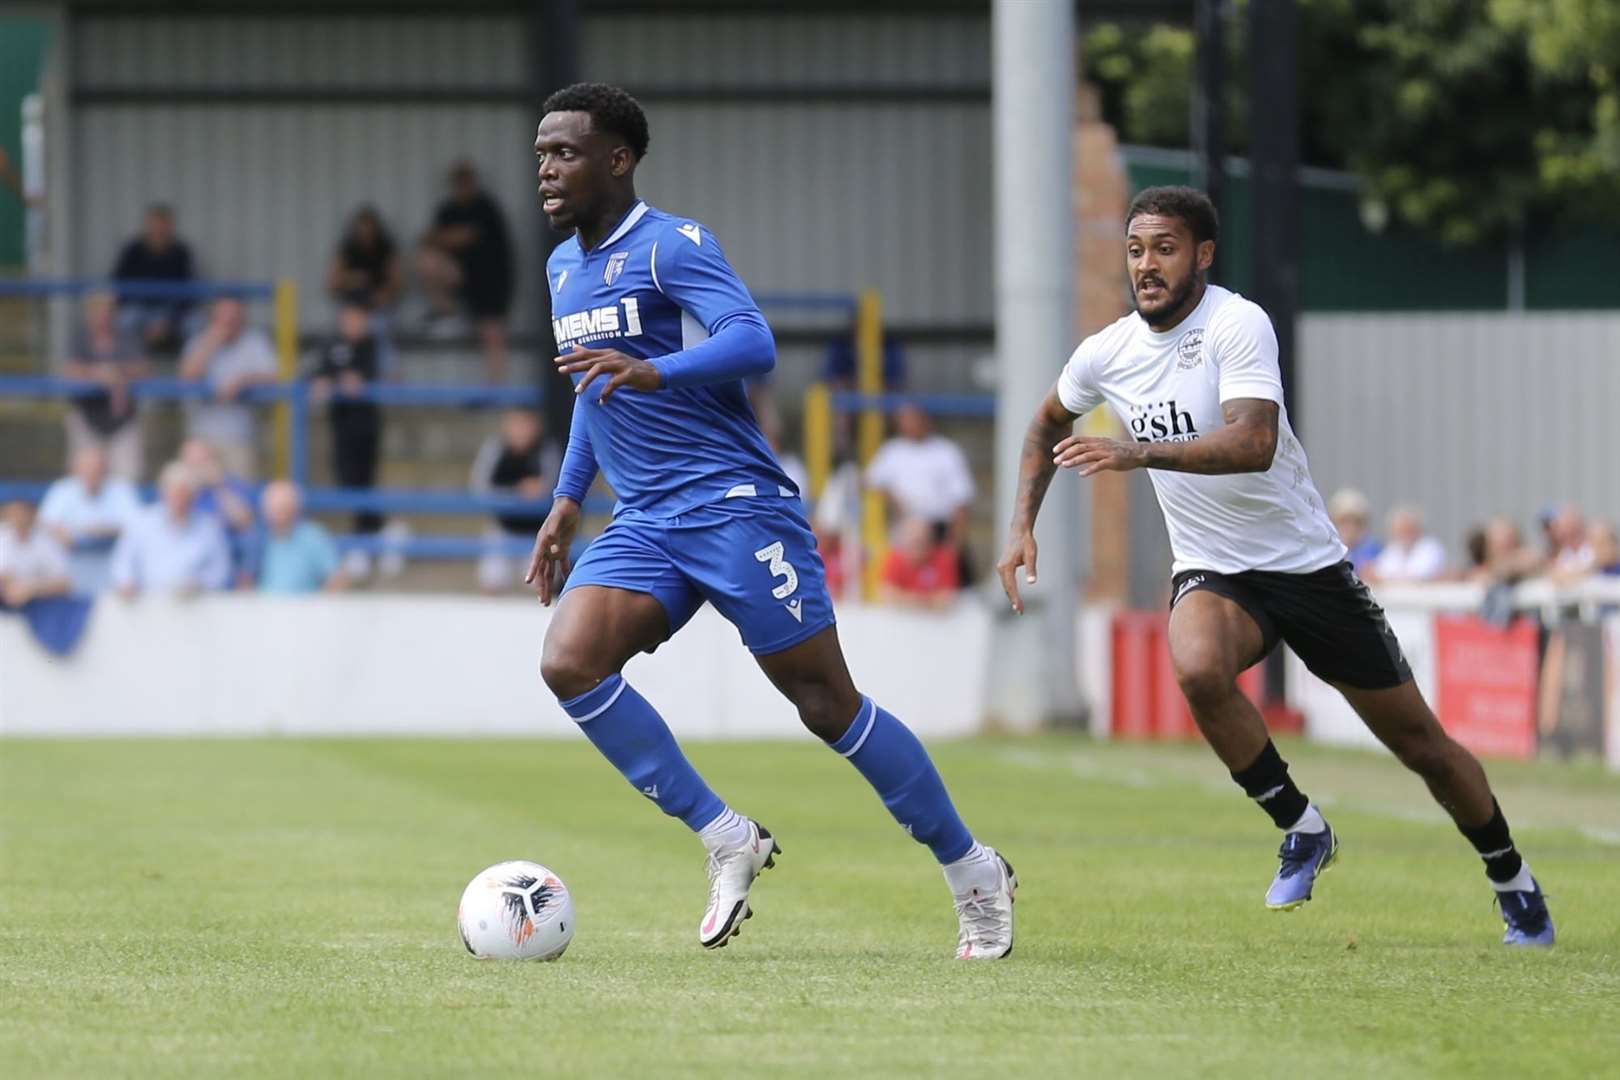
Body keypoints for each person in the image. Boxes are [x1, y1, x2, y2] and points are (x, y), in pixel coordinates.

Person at [527, 83, 1013, 959]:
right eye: (541, 154)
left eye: (564, 152)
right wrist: (567, 499)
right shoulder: (563, 269)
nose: (546, 170)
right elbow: (588, 393)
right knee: (569, 662)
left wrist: (657, 372)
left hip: (733, 507)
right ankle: (724, 836)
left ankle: (973, 869)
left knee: (826, 704)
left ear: (618, 159)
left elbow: (753, 342)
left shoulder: (673, 246)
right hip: (644, 519)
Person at [997, 185, 1551, 946]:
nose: (1147, 266)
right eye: (1135, 250)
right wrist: (1021, 525)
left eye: (1164, 248)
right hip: (1215, 570)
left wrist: (1138, 452)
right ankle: (1301, 826)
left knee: (1421, 746)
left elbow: (1253, 442)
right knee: (1195, 669)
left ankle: (1510, 875)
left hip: (1309, 570)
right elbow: (1042, 426)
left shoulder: (1237, 324)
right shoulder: (1106, 353)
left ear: (1203, 254)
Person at [416, 161, 515, 384]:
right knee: (427, 261)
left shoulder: (485, 207)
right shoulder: (448, 210)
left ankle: (495, 388)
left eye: (465, 182)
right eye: (457, 183)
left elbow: (464, 236)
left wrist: (447, 237)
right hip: (462, 280)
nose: (462, 187)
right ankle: (447, 314)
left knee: (492, 335)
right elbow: (428, 240)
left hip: (490, 281)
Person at [177, 298, 279, 479]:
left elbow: (274, 377)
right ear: (212, 319)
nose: (228, 325)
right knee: (199, 501)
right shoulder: (199, 342)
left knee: (240, 498)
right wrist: (211, 342)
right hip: (202, 438)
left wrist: (244, 380)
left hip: (239, 439)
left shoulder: (254, 342)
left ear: (242, 320)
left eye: (233, 319)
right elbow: (186, 377)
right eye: (222, 319)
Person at [310, 304, 386, 540]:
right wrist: (327, 381)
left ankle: (369, 533)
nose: (353, 323)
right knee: (345, 479)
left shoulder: (371, 345)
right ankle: (372, 531)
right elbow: (318, 375)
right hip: (341, 423)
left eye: (358, 318)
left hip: (366, 424)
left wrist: (351, 381)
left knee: (364, 480)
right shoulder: (331, 344)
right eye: (349, 317)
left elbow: (371, 378)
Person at [61, 290, 151, 482]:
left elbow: (144, 368)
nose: (102, 316)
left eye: (107, 311)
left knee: (127, 481)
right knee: (84, 480)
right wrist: (98, 373)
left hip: (123, 421)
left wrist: (117, 372)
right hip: (87, 418)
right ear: (89, 313)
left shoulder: (125, 336)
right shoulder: (80, 337)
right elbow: (69, 369)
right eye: (97, 310)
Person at [108, 461, 231, 599]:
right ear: (162, 493)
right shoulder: (141, 522)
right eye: (174, 493)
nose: (179, 500)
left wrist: (200, 584)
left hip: (195, 606)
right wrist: (126, 583)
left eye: (184, 494)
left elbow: (220, 571)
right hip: (146, 604)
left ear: (194, 497)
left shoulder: (209, 528)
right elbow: (122, 562)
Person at [470, 409, 560, 593]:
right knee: (491, 581)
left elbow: (558, 487)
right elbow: (480, 487)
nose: (521, 431)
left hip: (539, 532)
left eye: (525, 425)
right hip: (504, 530)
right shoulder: (496, 449)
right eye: (516, 425)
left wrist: (541, 490)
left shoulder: (546, 449)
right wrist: (516, 491)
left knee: (542, 586)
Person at [865, 402, 975, 551]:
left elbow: (961, 497)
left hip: (938, 529)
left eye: (913, 419)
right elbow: (869, 481)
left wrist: (956, 539)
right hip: (903, 527)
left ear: (925, 420)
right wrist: (892, 497)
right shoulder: (891, 451)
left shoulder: (946, 451)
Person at [38, 446, 143, 594]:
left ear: (105, 470)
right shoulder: (62, 490)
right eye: (86, 468)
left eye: (97, 469)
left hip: (112, 563)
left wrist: (105, 531)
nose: (92, 473)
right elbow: (45, 524)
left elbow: (138, 526)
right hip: (72, 564)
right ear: (76, 469)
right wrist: (61, 532)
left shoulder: (122, 489)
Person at [111, 203, 197, 354]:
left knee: (196, 323)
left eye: (163, 225)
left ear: (170, 226)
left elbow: (189, 293)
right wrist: (149, 322)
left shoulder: (181, 252)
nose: (159, 229)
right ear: (147, 225)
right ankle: (132, 367)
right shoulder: (133, 250)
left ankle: (190, 371)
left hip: (171, 311)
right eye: (155, 224)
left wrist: (167, 320)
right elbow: (119, 286)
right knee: (125, 321)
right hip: (139, 308)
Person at [326, 206, 402, 375]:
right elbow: (332, 284)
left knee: (381, 332)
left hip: (376, 309)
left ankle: (389, 379)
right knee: (341, 340)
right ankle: (343, 375)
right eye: (361, 229)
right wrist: (352, 279)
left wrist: (382, 295)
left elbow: (397, 282)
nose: (365, 233)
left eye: (369, 229)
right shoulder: (347, 248)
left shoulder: (385, 248)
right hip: (351, 308)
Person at [179, 438, 258, 587]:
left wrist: (218, 486)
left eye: (202, 461)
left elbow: (245, 521)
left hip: (227, 563)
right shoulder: (176, 490)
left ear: (213, 461)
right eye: (192, 462)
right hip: (186, 564)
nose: (197, 467)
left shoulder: (228, 486)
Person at [257, 481, 344, 594]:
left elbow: (337, 578)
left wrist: (320, 607)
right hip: (262, 609)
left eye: (284, 507)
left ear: (296, 508)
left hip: (304, 609)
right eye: (273, 508)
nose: (278, 514)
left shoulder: (313, 537)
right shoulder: (258, 539)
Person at [0, 501, 74, 608]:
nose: (18, 518)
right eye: (14, 513)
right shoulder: (2, 536)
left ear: (32, 514)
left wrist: (30, 588)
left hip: (40, 608)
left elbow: (65, 583)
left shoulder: (47, 540)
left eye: (22, 513)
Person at [877, 515, 960, 608]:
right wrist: (926, 601)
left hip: (934, 620)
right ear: (903, 543)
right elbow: (885, 593)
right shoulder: (894, 558)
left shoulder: (944, 558)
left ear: (930, 541)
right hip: (905, 618)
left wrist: (907, 599)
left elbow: (947, 598)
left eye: (921, 542)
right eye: (913, 542)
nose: (917, 548)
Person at [1366, 505, 1447, 583]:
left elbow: (1421, 575)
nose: (1402, 534)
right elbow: (1376, 572)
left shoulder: (1430, 547)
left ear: (1416, 528)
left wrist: (1390, 577)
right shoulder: (1394, 548)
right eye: (1398, 530)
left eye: (1406, 528)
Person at [1327, 488, 1380, 573]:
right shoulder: (1330, 549)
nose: (1349, 527)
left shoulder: (1372, 548)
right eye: (1343, 521)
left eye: (1355, 521)